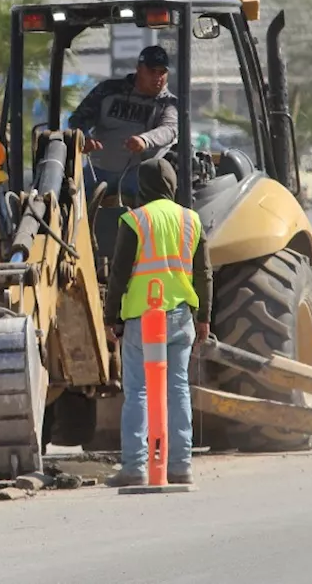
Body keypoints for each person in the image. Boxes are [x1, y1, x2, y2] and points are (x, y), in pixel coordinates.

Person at [102, 158, 212, 487]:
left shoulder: (135, 220)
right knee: (177, 388)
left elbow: (119, 274)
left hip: (143, 317)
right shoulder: (191, 220)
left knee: (137, 391)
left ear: (142, 187)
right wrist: (204, 317)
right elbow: (204, 273)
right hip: (180, 317)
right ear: (173, 185)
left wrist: (111, 318)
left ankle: (135, 467)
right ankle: (180, 465)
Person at [67, 45, 179, 201]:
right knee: (71, 204)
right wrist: (84, 138)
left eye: (162, 72)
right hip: (98, 170)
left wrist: (144, 140)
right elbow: (78, 119)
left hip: (139, 177)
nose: (157, 78)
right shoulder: (108, 90)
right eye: (152, 71)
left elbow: (169, 129)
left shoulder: (168, 103)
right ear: (139, 69)